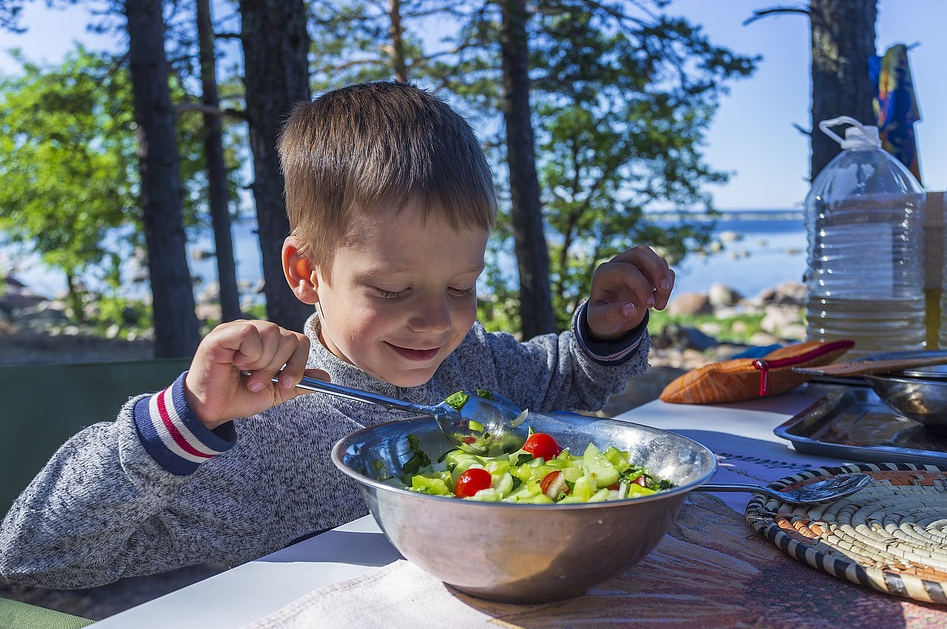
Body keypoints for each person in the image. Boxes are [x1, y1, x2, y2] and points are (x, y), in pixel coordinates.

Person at [0, 81, 674, 589]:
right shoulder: (259, 439)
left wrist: (603, 330)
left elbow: (568, 381)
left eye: (461, 286)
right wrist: (187, 420)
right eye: (390, 289)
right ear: (306, 271)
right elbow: (34, 553)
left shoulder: (473, 370)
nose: (438, 321)